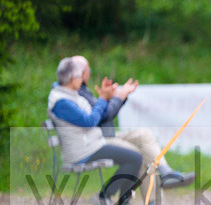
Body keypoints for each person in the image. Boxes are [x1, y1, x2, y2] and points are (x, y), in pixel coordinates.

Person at [46, 56, 182, 205]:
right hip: (83, 150)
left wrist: (109, 98)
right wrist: (103, 99)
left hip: (91, 144)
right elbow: (90, 121)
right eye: (80, 76)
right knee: (135, 157)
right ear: (73, 78)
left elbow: (96, 115)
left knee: (135, 155)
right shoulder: (61, 101)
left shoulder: (70, 95)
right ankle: (108, 198)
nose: (82, 79)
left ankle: (120, 202)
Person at [73, 55, 195, 189]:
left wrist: (114, 98)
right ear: (82, 73)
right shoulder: (76, 93)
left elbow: (103, 114)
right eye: (88, 70)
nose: (89, 73)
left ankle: (166, 172)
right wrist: (118, 97)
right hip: (97, 140)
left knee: (144, 135)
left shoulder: (83, 91)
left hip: (105, 135)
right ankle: (116, 198)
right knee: (139, 155)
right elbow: (100, 117)